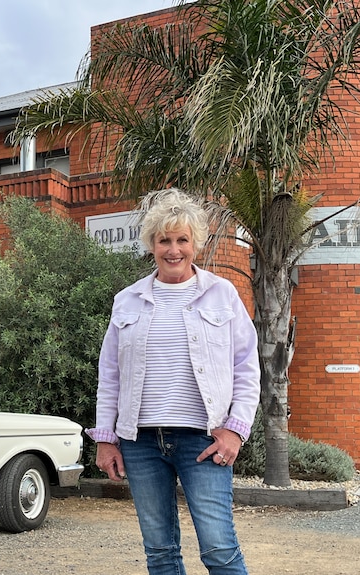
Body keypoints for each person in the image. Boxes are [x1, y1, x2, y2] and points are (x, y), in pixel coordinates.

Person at [86, 188, 260, 575]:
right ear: (152, 244)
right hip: (141, 443)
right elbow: (110, 375)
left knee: (219, 547)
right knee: (160, 550)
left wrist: (235, 431)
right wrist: (105, 439)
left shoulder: (222, 294)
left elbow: (248, 366)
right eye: (165, 240)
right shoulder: (127, 300)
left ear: (196, 243)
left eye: (182, 239)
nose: (173, 249)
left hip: (204, 440)